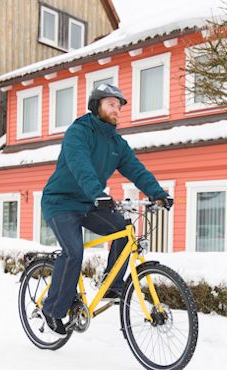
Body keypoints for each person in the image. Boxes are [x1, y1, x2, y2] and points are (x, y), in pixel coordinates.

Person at [40, 83, 173, 337]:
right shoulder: (78, 132)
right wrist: (98, 193)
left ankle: (112, 284)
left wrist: (158, 193)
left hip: (90, 203)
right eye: (111, 104)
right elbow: (81, 166)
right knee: (74, 251)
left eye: (119, 106)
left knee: (124, 231)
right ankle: (53, 309)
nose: (117, 110)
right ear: (96, 106)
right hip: (60, 202)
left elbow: (136, 169)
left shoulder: (116, 143)